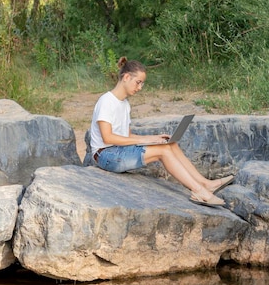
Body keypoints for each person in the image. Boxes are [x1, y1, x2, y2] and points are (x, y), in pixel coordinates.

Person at [90, 56, 233, 207]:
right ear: (126, 77)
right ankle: (198, 191)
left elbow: (126, 135)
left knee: (170, 145)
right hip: (106, 155)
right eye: (138, 82)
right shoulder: (106, 101)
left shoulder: (124, 104)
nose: (139, 88)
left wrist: (153, 138)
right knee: (163, 152)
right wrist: (145, 141)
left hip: (119, 150)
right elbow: (108, 137)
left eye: (142, 84)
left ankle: (205, 184)